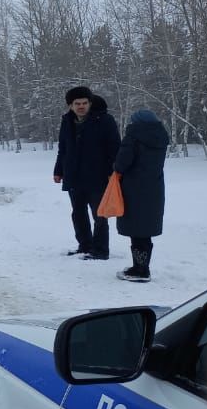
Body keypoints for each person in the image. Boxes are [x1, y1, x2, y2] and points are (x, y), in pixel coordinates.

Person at [53, 86, 120, 260]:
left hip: (97, 176)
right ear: (70, 105)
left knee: (99, 214)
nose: (81, 106)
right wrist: (58, 170)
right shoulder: (67, 120)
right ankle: (84, 245)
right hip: (73, 175)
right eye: (77, 103)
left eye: (84, 103)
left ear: (90, 103)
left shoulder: (104, 120)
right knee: (78, 213)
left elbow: (114, 148)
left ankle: (100, 250)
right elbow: (63, 148)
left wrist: (111, 172)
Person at [112, 109, 168, 282]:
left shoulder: (133, 137)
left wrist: (115, 166)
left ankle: (140, 270)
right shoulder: (161, 138)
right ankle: (142, 266)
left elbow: (122, 164)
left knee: (136, 229)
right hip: (154, 188)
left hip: (133, 189)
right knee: (145, 229)